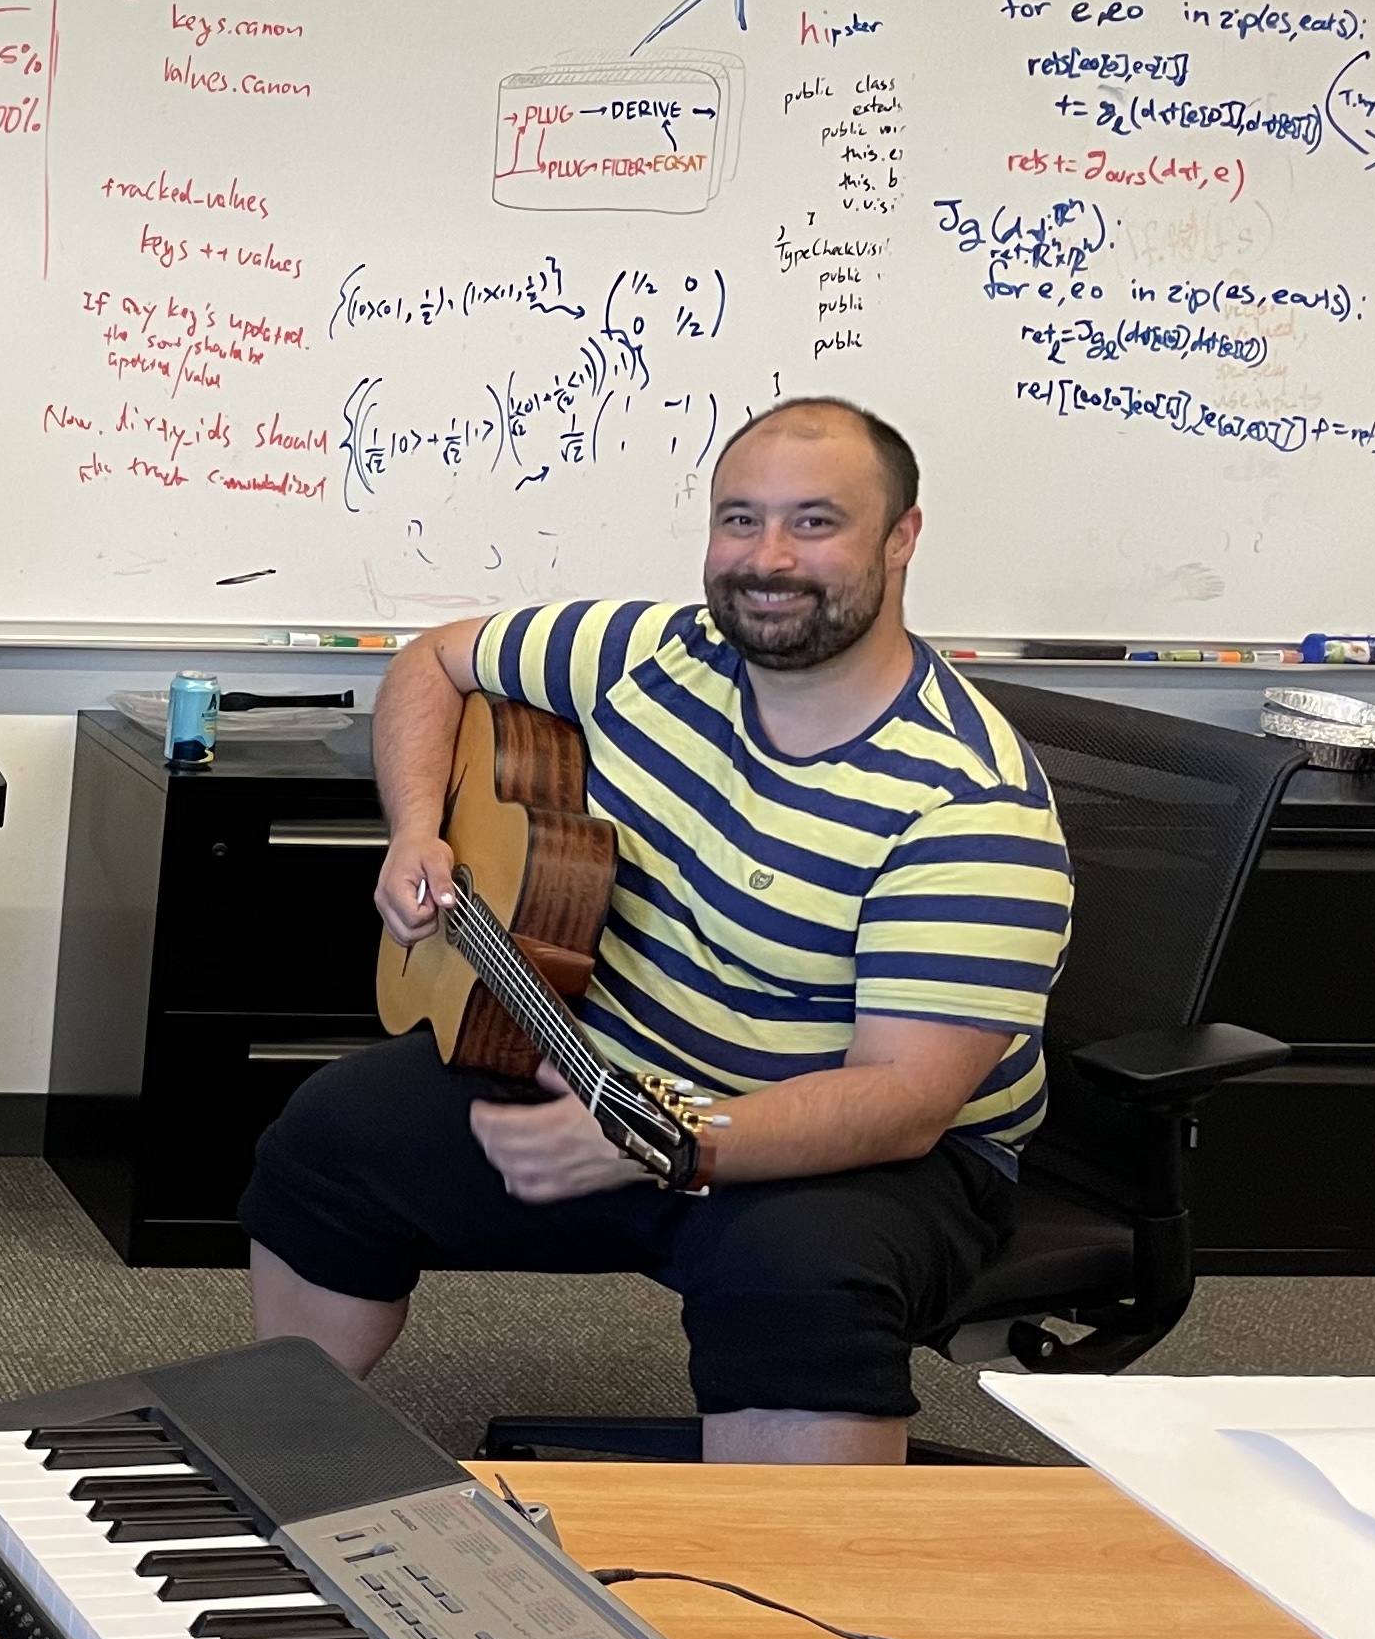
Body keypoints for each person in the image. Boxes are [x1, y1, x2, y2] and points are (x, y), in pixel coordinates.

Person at [241, 397, 1074, 1464]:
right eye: (740, 520)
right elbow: (431, 663)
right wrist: (414, 832)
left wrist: (665, 1144)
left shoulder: (968, 802)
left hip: (863, 1154)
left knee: (794, 1284)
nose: (766, 558)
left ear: (901, 538)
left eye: (814, 523)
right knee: (333, 1137)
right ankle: (279, 1442)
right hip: (611, 1074)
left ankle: (799, 1595)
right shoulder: (646, 653)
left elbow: (904, 1103)